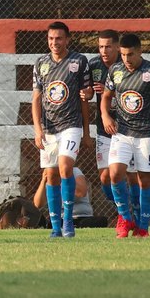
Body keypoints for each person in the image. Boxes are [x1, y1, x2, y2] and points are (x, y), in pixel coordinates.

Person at [101, 33, 150, 238]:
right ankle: (125, 218)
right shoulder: (115, 70)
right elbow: (106, 97)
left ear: (139, 51)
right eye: (122, 54)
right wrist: (106, 116)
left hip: (146, 134)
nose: (126, 59)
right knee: (115, 173)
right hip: (122, 132)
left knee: (145, 180)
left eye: (130, 54)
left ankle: (143, 227)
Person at [32, 21, 93, 238]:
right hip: (49, 129)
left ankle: (68, 221)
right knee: (51, 174)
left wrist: (86, 132)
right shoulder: (40, 63)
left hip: (71, 125)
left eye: (58, 38)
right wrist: (37, 130)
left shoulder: (79, 61)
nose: (54, 42)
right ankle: (56, 227)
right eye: (51, 39)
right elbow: (36, 99)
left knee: (66, 167)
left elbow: (86, 97)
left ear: (67, 39)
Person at [80, 29, 141, 233]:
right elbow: (86, 94)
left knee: (131, 176)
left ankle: (131, 217)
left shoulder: (127, 64)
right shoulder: (94, 65)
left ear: (117, 47)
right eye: (100, 47)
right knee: (105, 177)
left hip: (128, 129)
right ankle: (124, 212)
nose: (104, 51)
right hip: (104, 129)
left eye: (108, 46)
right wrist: (88, 93)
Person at [33, 167, 107, 228]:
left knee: (101, 220)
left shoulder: (74, 171)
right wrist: (43, 181)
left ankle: (76, 226)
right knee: (47, 223)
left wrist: (64, 179)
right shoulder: (50, 178)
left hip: (82, 216)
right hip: (61, 218)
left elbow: (81, 192)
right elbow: (37, 204)